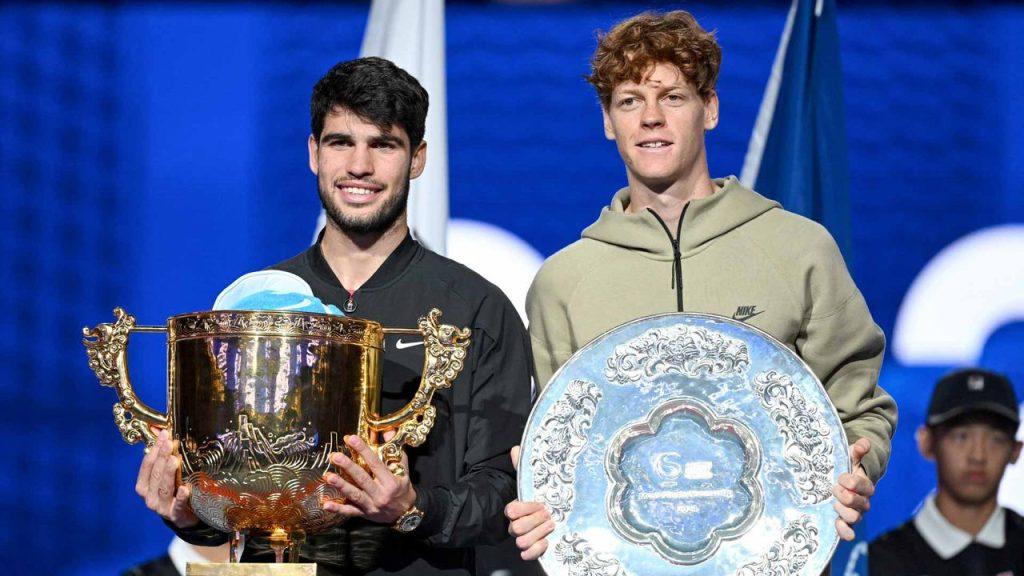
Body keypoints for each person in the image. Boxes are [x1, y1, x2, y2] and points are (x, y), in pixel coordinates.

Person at [505, 10, 897, 562]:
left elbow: (859, 407)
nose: (651, 119)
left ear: (709, 109)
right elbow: (563, 448)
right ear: (607, 122)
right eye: (629, 101)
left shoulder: (799, 249)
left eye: (673, 97)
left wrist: (857, 465)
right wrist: (538, 501)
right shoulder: (563, 282)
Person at [133, 57, 533, 576]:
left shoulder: (476, 307)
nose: (359, 167)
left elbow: (503, 488)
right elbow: (233, 489)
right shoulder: (255, 307)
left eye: (383, 144)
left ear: (417, 159)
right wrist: (190, 514)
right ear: (313, 153)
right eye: (341, 142)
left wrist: (411, 510)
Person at [869, 369, 1022, 576]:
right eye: (961, 436)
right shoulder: (880, 562)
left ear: (1015, 450)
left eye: (995, 439)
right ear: (927, 442)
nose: (978, 456)